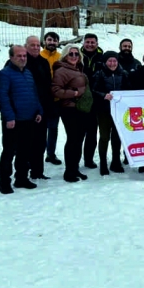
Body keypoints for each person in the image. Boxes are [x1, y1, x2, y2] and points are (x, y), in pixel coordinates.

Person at [0, 45, 43, 194]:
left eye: (24, 56)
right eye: (19, 56)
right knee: (9, 152)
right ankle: (4, 182)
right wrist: (9, 117)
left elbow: (34, 94)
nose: (22, 58)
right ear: (11, 57)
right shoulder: (5, 74)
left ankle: (21, 178)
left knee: (25, 151)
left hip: (29, 119)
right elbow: (2, 96)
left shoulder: (28, 73)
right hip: (13, 121)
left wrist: (39, 110)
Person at [52, 44, 90, 183]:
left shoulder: (78, 69)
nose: (74, 56)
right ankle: (69, 171)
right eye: (70, 54)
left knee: (79, 139)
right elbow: (55, 90)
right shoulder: (61, 70)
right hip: (69, 109)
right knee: (73, 139)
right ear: (65, 55)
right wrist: (73, 93)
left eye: (76, 54)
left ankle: (75, 168)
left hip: (80, 108)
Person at [91, 51, 130, 175]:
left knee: (116, 137)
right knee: (104, 136)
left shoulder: (123, 73)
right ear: (105, 61)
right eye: (109, 61)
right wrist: (103, 95)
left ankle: (116, 161)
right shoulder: (99, 73)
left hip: (119, 111)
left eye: (114, 61)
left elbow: (128, 89)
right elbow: (93, 90)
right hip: (104, 111)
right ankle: (103, 162)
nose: (112, 63)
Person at [25, 35, 54, 181]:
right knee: (26, 143)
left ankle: (38, 170)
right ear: (26, 46)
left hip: (42, 109)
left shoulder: (43, 62)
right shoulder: (21, 60)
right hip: (26, 109)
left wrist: (48, 106)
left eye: (37, 45)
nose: (36, 47)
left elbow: (48, 84)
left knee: (40, 142)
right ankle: (23, 172)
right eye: (32, 45)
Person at [80, 33, 103, 169]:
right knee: (78, 133)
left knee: (92, 132)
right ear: (83, 43)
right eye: (87, 42)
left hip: (96, 100)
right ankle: (74, 159)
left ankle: (88, 159)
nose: (90, 44)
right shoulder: (76, 56)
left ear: (97, 43)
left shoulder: (102, 57)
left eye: (92, 42)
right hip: (79, 99)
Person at [41, 31, 63, 165]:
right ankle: (38, 152)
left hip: (56, 99)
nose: (52, 43)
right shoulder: (39, 56)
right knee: (40, 128)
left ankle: (51, 153)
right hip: (42, 98)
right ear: (45, 41)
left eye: (55, 41)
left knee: (53, 128)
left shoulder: (61, 57)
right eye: (49, 40)